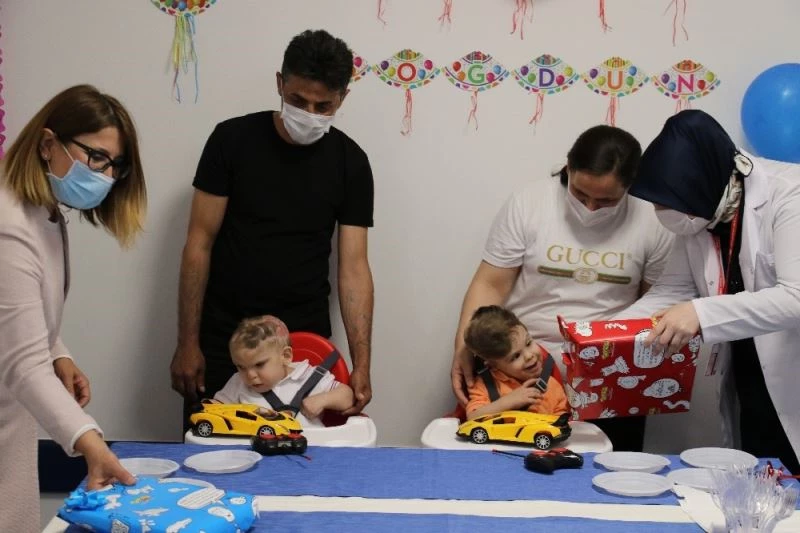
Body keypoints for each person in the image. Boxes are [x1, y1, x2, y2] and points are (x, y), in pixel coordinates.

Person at [170, 30, 375, 421]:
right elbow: (199, 244)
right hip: (225, 342)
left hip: (302, 347)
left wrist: (361, 363)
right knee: (210, 445)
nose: (309, 113)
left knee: (300, 454)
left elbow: (354, 269)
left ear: (342, 98)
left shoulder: (351, 163)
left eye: (323, 106)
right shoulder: (231, 141)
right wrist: (187, 343)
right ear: (280, 83)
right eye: (297, 100)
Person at [451, 125, 675, 451]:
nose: (591, 208)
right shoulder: (529, 204)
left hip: (608, 371)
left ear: (631, 185)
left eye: (606, 201)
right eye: (580, 195)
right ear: (569, 167)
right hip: (522, 366)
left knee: (609, 465)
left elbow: (655, 302)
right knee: (512, 462)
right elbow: (490, 285)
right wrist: (463, 347)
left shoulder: (653, 220)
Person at [618, 110, 800, 473]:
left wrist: (700, 313)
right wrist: (599, 334)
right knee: (762, 478)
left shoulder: (789, 194)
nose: (661, 213)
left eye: (667, 203)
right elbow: (672, 290)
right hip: (751, 372)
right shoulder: (704, 211)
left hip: (792, 367)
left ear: (698, 184)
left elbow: (795, 297)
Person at [0, 85, 146, 530]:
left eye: (115, 165)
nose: (106, 175)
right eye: (96, 157)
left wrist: (57, 352)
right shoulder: (8, 225)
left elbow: (17, 307)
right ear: (48, 144)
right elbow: (24, 365)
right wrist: (90, 441)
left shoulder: (42, 212)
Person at [214, 315, 354, 427]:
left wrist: (322, 400)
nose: (250, 375)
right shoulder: (238, 382)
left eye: (259, 365)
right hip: (255, 449)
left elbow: (348, 397)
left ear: (285, 356)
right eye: (241, 367)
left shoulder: (308, 376)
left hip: (311, 447)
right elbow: (216, 409)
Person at [463, 306, 568, 420]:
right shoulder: (486, 385)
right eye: (516, 356)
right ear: (493, 365)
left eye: (528, 343)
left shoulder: (552, 386)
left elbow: (563, 422)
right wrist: (510, 401)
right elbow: (472, 418)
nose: (529, 356)